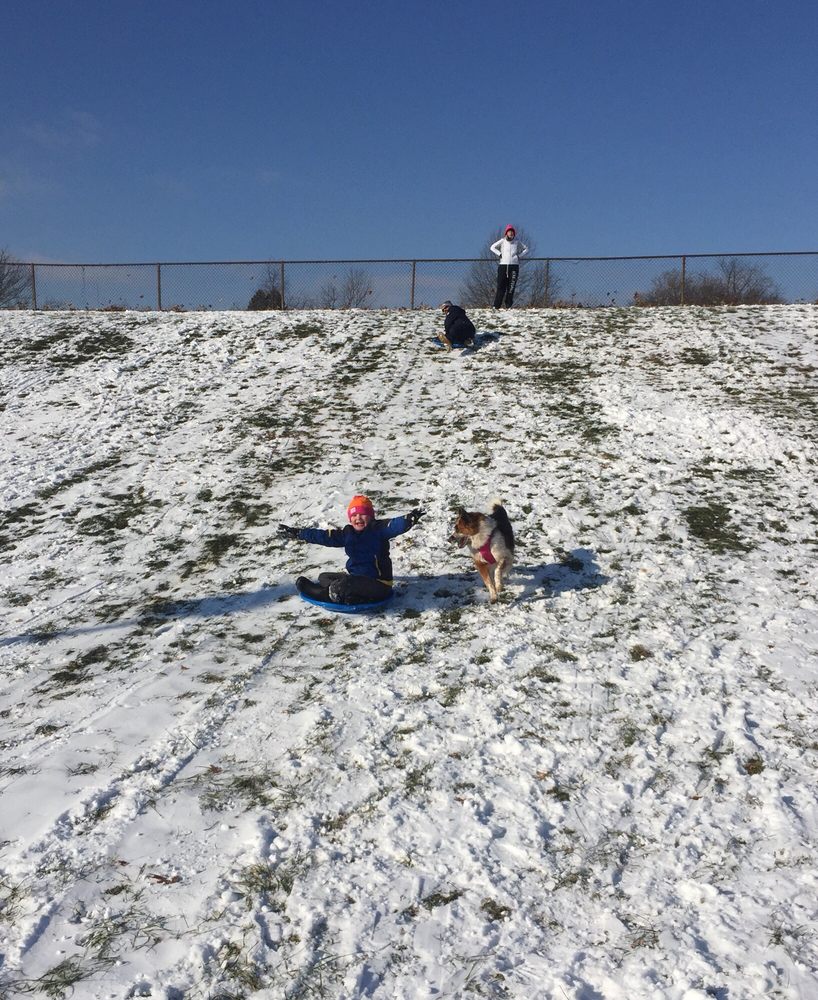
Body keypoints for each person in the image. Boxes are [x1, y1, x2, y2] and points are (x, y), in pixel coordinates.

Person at [278, 495, 425, 604]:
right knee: (324, 577)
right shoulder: (347, 534)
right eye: (354, 515)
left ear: (371, 517)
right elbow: (323, 537)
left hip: (378, 584)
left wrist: (410, 518)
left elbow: (394, 525)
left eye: (363, 514)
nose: (358, 518)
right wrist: (298, 533)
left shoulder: (378, 530)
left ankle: (322, 594)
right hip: (356, 580)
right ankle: (347, 595)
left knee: (343, 586)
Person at [490, 224, 529, 308]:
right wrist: (499, 254)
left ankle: (508, 305)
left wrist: (519, 256)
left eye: (512, 232)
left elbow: (526, 249)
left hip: (514, 266)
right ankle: (496, 306)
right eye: (509, 232)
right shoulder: (502, 241)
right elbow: (492, 247)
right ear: (506, 233)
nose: (511, 233)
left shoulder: (517, 241)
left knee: (511, 287)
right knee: (501, 286)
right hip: (503, 266)